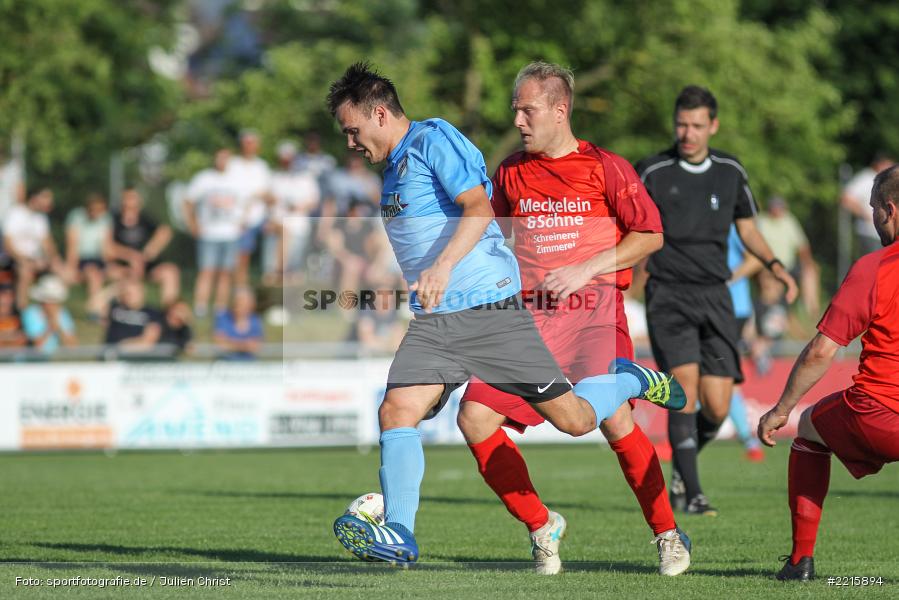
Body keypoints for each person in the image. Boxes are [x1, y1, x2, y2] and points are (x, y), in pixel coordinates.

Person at [326, 62, 686, 566]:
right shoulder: (464, 170)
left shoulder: (436, 141)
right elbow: (481, 227)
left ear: (380, 113)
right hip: (453, 318)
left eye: (353, 131)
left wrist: (450, 267)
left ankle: (631, 388)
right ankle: (402, 536)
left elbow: (476, 212)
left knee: (581, 421)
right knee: (403, 412)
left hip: (506, 312)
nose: (351, 143)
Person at [454, 61, 690, 576]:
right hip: (531, 321)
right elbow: (490, 238)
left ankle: (668, 534)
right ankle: (541, 526)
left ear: (560, 111)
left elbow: (649, 235)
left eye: (527, 109)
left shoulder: (607, 167)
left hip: (595, 312)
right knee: (472, 417)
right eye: (515, 108)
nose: (518, 119)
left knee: (611, 420)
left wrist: (586, 268)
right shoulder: (511, 172)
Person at [635, 85, 798, 516]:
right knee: (683, 391)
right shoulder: (651, 171)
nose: (687, 133)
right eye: (681, 124)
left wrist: (776, 267)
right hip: (668, 294)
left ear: (713, 126)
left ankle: (683, 470)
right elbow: (626, 226)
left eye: (696, 125)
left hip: (716, 297)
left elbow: (748, 230)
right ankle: (693, 492)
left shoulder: (730, 171)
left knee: (719, 406)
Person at [758, 164, 899, 582]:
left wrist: (780, 408)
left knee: (808, 427)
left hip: (877, 411)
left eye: (873, 209)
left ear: (888, 209)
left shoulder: (874, 268)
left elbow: (822, 350)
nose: (872, 218)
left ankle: (801, 560)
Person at [184, 148, 243, 317]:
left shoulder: (237, 180)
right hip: (209, 233)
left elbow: (247, 203)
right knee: (206, 271)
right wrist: (193, 224)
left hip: (231, 234)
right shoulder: (204, 178)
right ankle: (201, 307)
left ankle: (220, 309)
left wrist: (241, 223)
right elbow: (188, 201)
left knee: (225, 273)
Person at [105, 188, 180, 306]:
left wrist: (150, 250)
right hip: (123, 265)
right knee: (131, 271)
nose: (131, 202)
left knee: (170, 272)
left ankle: (168, 314)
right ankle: (130, 309)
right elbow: (108, 247)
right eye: (128, 198)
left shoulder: (146, 219)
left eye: (134, 198)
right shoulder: (113, 220)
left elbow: (165, 231)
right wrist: (131, 256)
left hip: (146, 264)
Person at [267, 140, 321, 284]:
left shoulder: (306, 178)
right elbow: (268, 201)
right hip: (277, 228)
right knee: (272, 273)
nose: (287, 162)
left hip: (299, 228)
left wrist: (298, 207)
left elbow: (314, 202)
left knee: (294, 272)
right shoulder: (275, 177)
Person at [3, 188, 66, 309]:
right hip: (14, 259)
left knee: (62, 271)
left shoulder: (41, 218)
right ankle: (22, 310)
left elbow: (48, 244)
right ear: (34, 197)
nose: (49, 202)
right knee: (25, 271)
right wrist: (27, 260)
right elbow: (8, 245)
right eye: (45, 197)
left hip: (36, 259)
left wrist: (54, 260)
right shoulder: (15, 213)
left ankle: (54, 313)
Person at [228, 129, 272, 287]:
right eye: (247, 142)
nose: (250, 146)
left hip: (256, 219)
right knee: (239, 258)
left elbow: (268, 194)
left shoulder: (262, 167)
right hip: (235, 219)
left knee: (245, 257)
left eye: (252, 142)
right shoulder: (232, 164)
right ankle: (238, 290)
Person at [65, 193, 112, 317]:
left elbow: (106, 247)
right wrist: (71, 268)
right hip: (83, 259)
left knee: (123, 275)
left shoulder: (106, 219)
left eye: (100, 210)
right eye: (93, 209)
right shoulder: (76, 217)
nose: (96, 213)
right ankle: (96, 311)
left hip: (98, 260)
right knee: (94, 275)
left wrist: (108, 265)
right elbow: (72, 247)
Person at [840, 152, 895, 256]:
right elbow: (846, 198)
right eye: (888, 164)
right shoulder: (867, 177)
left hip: (877, 233)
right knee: (875, 266)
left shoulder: (880, 179)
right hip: (869, 232)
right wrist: (866, 215)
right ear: (880, 164)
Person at [21, 274, 77, 357]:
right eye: (49, 299)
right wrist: (50, 328)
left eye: (54, 300)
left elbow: (72, 347)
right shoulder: (30, 313)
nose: (52, 304)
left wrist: (59, 327)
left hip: (53, 362)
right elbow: (37, 347)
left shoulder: (62, 313)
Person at [103, 278, 163, 353]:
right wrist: (114, 289)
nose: (129, 296)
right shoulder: (115, 307)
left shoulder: (152, 313)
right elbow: (93, 307)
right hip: (109, 358)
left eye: (133, 293)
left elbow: (147, 343)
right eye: (127, 293)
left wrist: (120, 348)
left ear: (142, 292)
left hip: (135, 358)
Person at [213, 286, 263, 360]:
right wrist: (244, 346)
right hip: (226, 363)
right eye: (241, 303)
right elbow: (220, 343)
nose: (244, 307)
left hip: (249, 364)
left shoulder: (255, 320)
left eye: (247, 304)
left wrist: (232, 343)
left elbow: (256, 346)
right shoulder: (223, 317)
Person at [0, 284, 27, 351]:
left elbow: (23, 338)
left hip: (14, 355)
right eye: (4, 294)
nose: (7, 299)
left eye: (10, 295)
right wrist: (11, 335)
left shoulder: (18, 315)